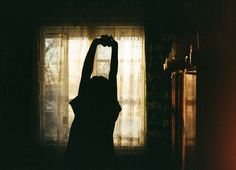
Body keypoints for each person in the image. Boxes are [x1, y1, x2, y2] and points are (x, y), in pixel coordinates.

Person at [66, 35, 121, 170]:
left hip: (78, 153)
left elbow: (86, 71)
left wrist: (95, 44)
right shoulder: (109, 108)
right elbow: (113, 73)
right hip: (103, 155)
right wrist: (114, 47)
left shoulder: (84, 105)